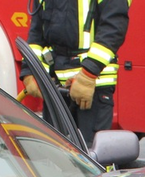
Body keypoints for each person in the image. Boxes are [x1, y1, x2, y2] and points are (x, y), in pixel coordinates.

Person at [20, 0, 131, 145]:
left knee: (93, 156)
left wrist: (88, 74)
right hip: (55, 86)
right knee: (54, 153)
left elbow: (113, 29)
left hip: (92, 87)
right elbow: (36, 31)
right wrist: (30, 71)